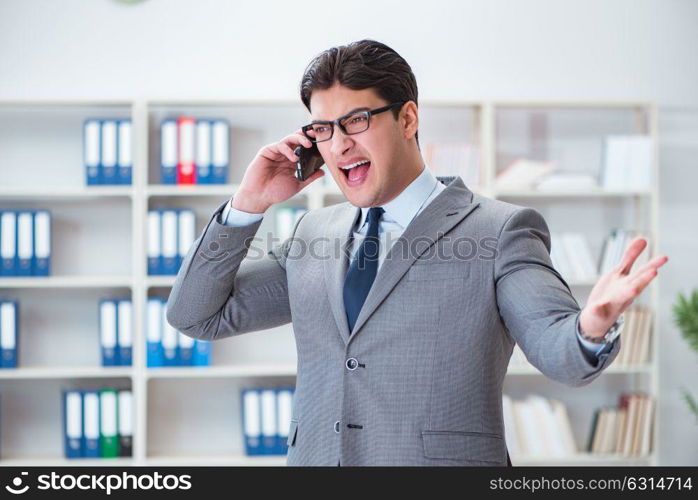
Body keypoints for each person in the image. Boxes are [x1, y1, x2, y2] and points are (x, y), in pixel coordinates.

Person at [166, 39, 668, 466]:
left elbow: (560, 353)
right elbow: (196, 316)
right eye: (322, 129)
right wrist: (247, 206)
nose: (338, 146)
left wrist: (592, 326)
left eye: (356, 120)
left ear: (407, 118)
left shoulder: (498, 230)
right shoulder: (310, 234)